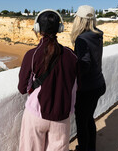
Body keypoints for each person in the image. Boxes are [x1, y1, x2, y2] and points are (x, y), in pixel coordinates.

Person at [18, 9, 78, 151]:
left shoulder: (31, 55)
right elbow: (75, 85)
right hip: (61, 118)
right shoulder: (72, 56)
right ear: (60, 28)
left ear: (38, 28)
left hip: (36, 115)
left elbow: (22, 88)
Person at [70, 5, 106, 151]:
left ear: (79, 20)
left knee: (82, 122)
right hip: (98, 84)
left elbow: (84, 63)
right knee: (89, 119)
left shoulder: (82, 39)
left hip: (87, 88)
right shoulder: (97, 34)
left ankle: (84, 148)